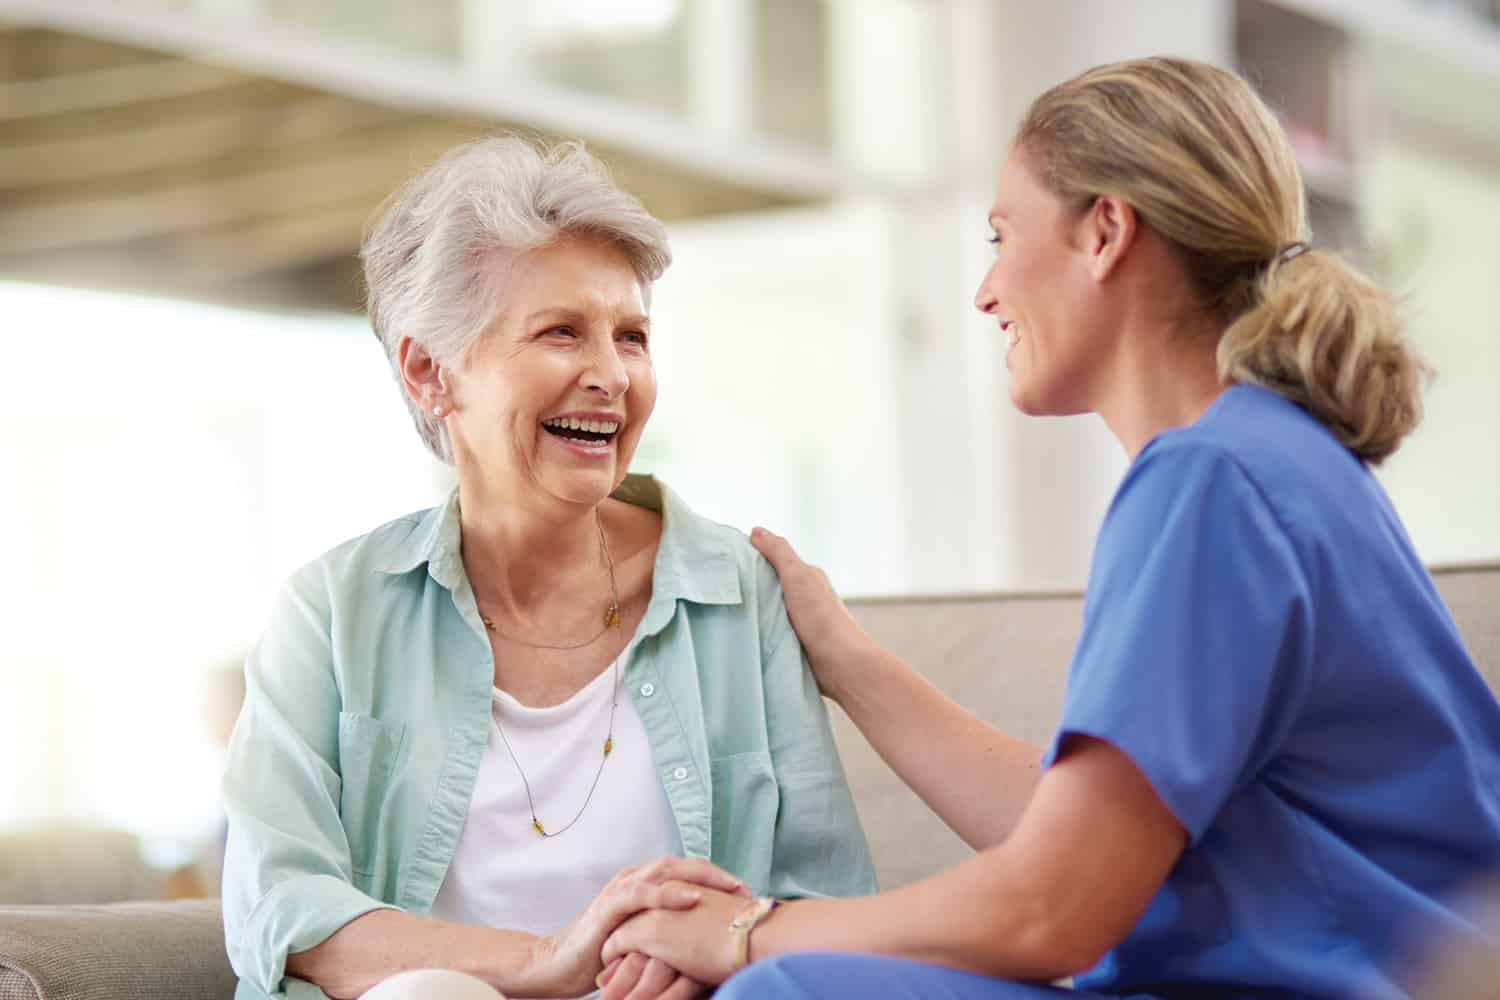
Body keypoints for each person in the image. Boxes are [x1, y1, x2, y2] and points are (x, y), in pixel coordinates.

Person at [594, 56, 1500, 999]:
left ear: (1106, 230)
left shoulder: (1211, 484)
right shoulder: (1273, 460)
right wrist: (846, 660)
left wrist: (751, 932)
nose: (985, 293)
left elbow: (1052, 909)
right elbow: (1076, 842)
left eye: (1000, 236)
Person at [220, 136, 875, 1000]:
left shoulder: (737, 591)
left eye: (632, 337)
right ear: (429, 372)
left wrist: (715, 956)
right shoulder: (336, 609)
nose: (610, 375)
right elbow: (280, 903)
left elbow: (827, 898)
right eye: (562, 332)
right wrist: (548, 962)